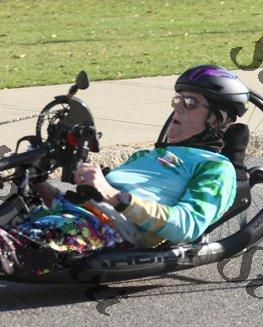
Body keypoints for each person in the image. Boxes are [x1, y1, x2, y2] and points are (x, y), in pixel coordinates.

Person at [0, 65, 249, 276]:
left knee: (11, 248)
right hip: (74, 217)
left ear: (216, 118)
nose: (178, 107)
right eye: (178, 99)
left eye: (190, 102)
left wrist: (116, 197)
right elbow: (87, 202)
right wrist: (38, 181)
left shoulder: (216, 168)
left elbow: (186, 225)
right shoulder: (146, 155)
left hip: (109, 230)